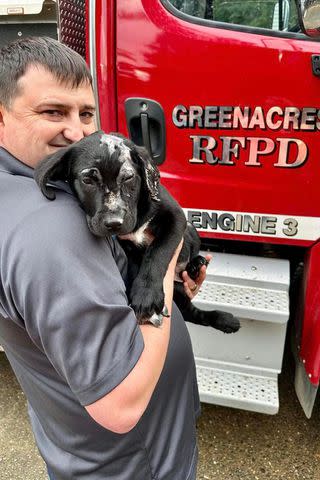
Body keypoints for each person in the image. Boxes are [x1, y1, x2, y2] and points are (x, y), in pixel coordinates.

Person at [0, 36, 209, 480]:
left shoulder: (31, 188)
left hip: (85, 450)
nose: (77, 131)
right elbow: (120, 405)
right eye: (53, 112)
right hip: (135, 463)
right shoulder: (51, 227)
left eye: (87, 113)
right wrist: (166, 266)